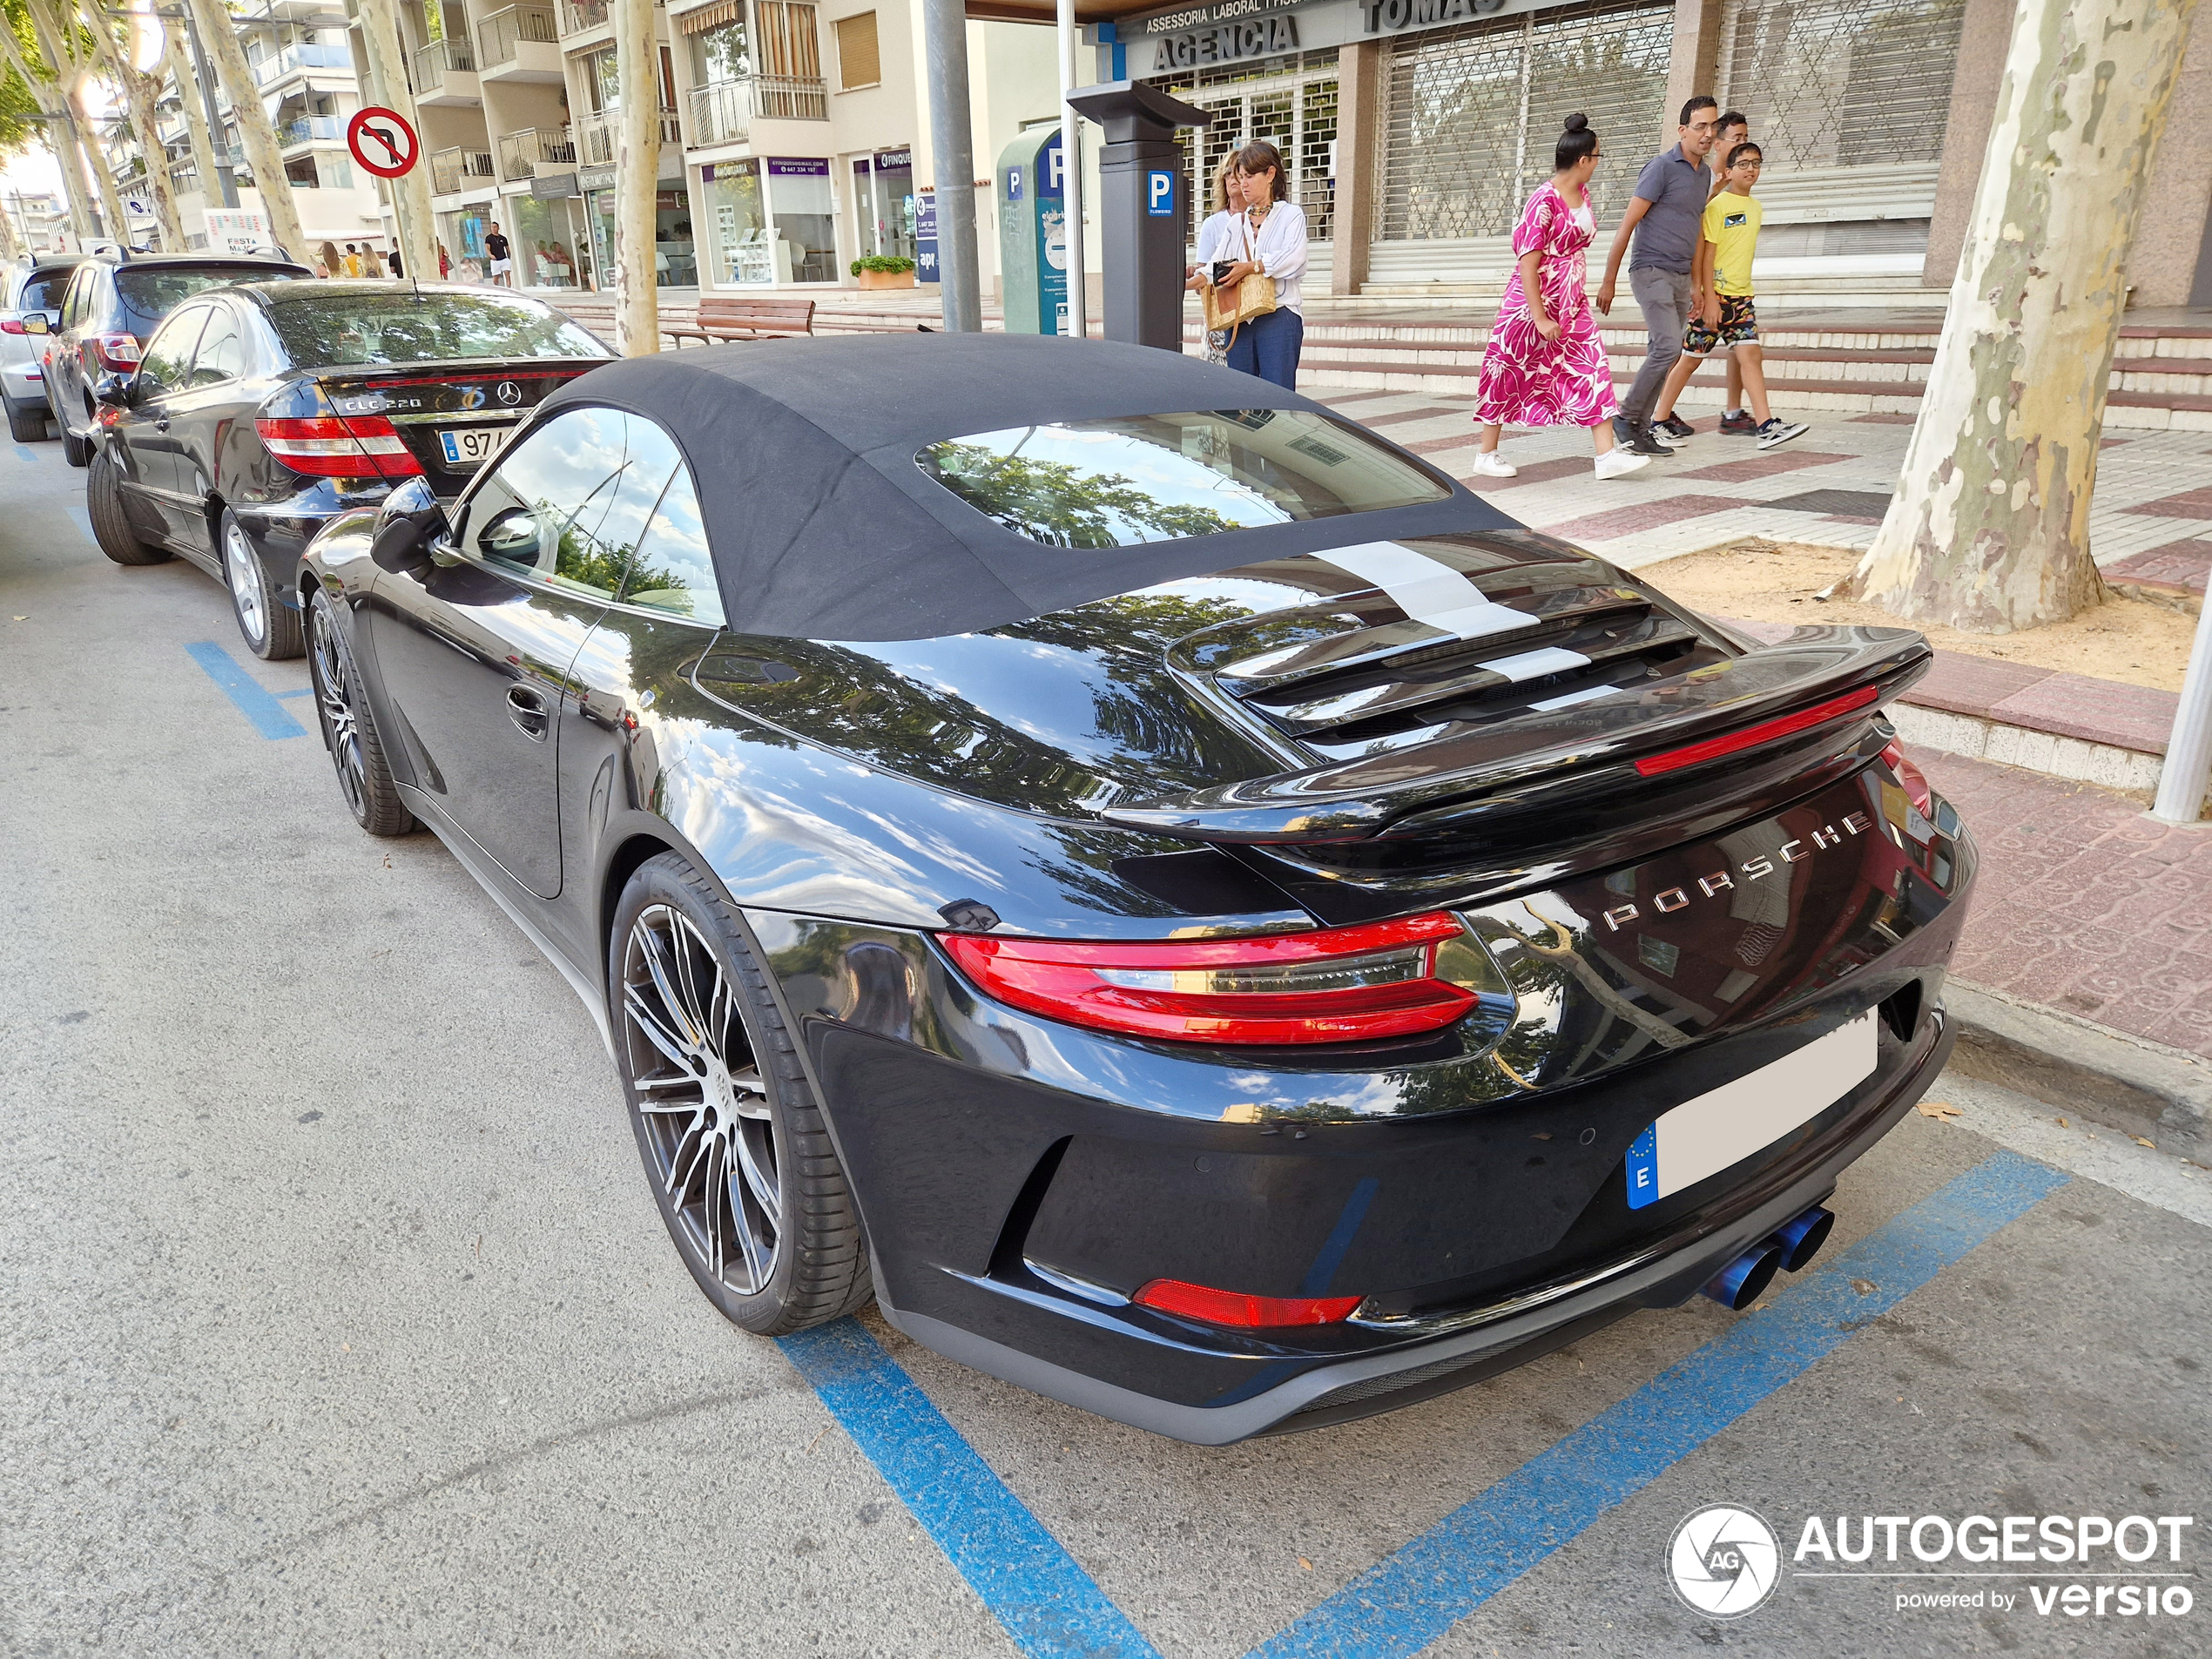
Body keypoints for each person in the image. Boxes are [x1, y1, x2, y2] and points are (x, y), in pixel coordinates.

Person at [1469, 116, 1647, 482]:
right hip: (1530, 304)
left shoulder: (1583, 195)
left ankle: (1606, 455)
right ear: (1584, 159)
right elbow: (1527, 263)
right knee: (1509, 370)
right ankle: (1486, 453)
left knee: (1592, 365)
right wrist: (1539, 316)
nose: (1598, 163)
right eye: (1598, 156)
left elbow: (1575, 249)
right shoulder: (1543, 201)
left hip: (1571, 301)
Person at [1649, 141, 1810, 451]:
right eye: (1744, 164)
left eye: (1756, 163)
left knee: (1751, 355)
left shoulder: (1756, 207)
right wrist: (1708, 299)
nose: (1751, 169)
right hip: (1716, 299)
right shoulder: (1718, 206)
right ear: (1729, 171)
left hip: (1741, 299)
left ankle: (1767, 425)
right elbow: (1705, 255)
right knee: (1689, 361)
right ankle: (1657, 420)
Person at [1595, 95, 1720, 456]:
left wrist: (1697, 286)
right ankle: (1627, 417)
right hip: (1651, 270)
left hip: (1682, 276)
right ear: (1683, 130)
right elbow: (1627, 225)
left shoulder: (1705, 175)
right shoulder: (1661, 168)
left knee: (1665, 350)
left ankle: (1641, 427)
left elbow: (1696, 231)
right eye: (1700, 126)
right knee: (1667, 346)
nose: (1708, 133)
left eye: (1713, 126)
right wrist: (1609, 280)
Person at [1214, 141, 1306, 390]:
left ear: (1270, 174)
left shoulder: (1291, 215)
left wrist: (1253, 267)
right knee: (1242, 401)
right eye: (1240, 176)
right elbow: (1215, 265)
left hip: (1279, 316)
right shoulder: (1236, 224)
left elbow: (1294, 259)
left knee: (1278, 398)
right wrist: (1187, 280)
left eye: (1250, 176)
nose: (1243, 183)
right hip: (1241, 320)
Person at [1705, 111, 1755, 436]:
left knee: (1741, 347)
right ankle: (1657, 412)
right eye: (1737, 139)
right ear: (1718, 142)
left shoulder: (1737, 186)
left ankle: (1733, 411)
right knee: (1682, 350)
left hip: (1732, 287)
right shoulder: (1705, 179)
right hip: (1699, 279)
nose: (1743, 145)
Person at [1186, 159, 1244, 366]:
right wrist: (1191, 279)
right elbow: (1203, 279)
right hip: (1222, 312)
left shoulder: (1260, 218)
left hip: (1254, 310)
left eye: (1237, 172)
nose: (1232, 179)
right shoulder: (1213, 224)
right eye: (1227, 174)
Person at [484, 221, 512, 286]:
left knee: (507, 275)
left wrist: (508, 258)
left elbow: (508, 249)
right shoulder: (489, 238)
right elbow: (487, 249)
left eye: (495, 227)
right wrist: (491, 255)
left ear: (498, 228)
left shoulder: (503, 238)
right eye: (492, 227)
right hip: (495, 260)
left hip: (504, 259)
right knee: (496, 277)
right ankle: (497, 288)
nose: (494, 229)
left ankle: (509, 289)